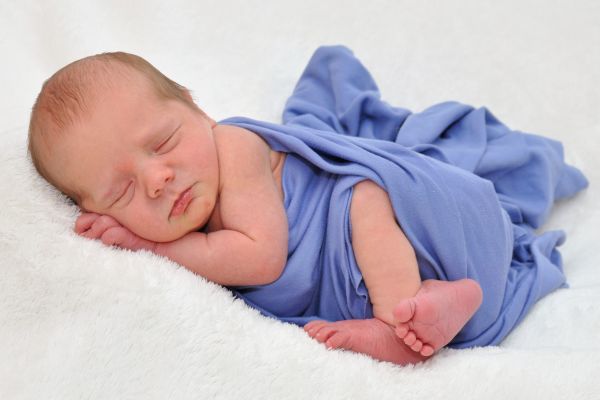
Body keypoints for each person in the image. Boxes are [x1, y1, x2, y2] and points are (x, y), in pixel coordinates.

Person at [27, 46, 587, 365]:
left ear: (197, 110)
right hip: (354, 277)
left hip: (409, 225)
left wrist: (150, 245)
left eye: (164, 142)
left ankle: (398, 323)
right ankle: (435, 301)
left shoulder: (234, 147)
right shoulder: (184, 216)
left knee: (365, 197)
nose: (156, 180)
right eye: (121, 192)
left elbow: (262, 257)